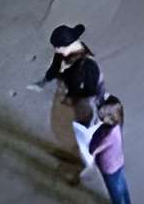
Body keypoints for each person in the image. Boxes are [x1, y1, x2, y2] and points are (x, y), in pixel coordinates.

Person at [35, 25, 105, 179]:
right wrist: (45, 79)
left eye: (59, 47)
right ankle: (70, 151)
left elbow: (91, 91)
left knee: (79, 133)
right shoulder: (62, 54)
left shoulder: (88, 65)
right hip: (66, 97)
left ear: (71, 44)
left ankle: (81, 164)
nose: (57, 50)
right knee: (60, 126)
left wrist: (72, 97)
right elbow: (55, 67)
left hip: (81, 103)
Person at [87, 98, 131, 204]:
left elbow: (95, 149)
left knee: (115, 194)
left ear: (113, 117)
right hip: (117, 162)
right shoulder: (115, 128)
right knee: (121, 186)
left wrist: (90, 152)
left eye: (104, 116)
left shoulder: (109, 135)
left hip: (109, 167)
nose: (101, 118)